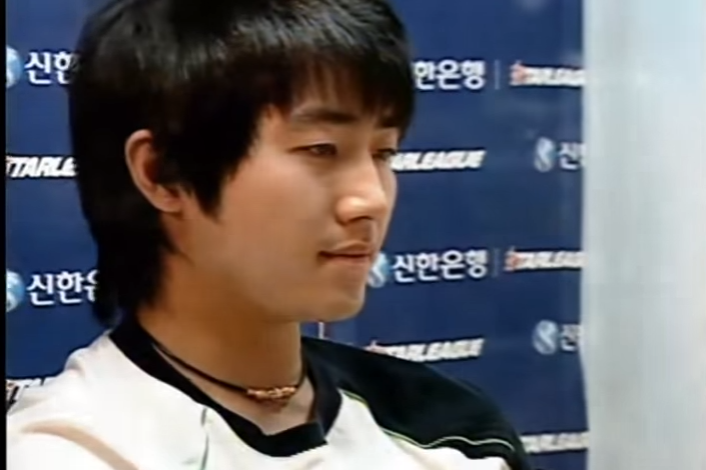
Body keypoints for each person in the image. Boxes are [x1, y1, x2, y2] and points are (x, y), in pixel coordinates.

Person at [7, 0, 532, 469]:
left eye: (383, 152)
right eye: (321, 149)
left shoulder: (455, 434)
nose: (371, 198)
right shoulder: (72, 451)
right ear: (163, 172)